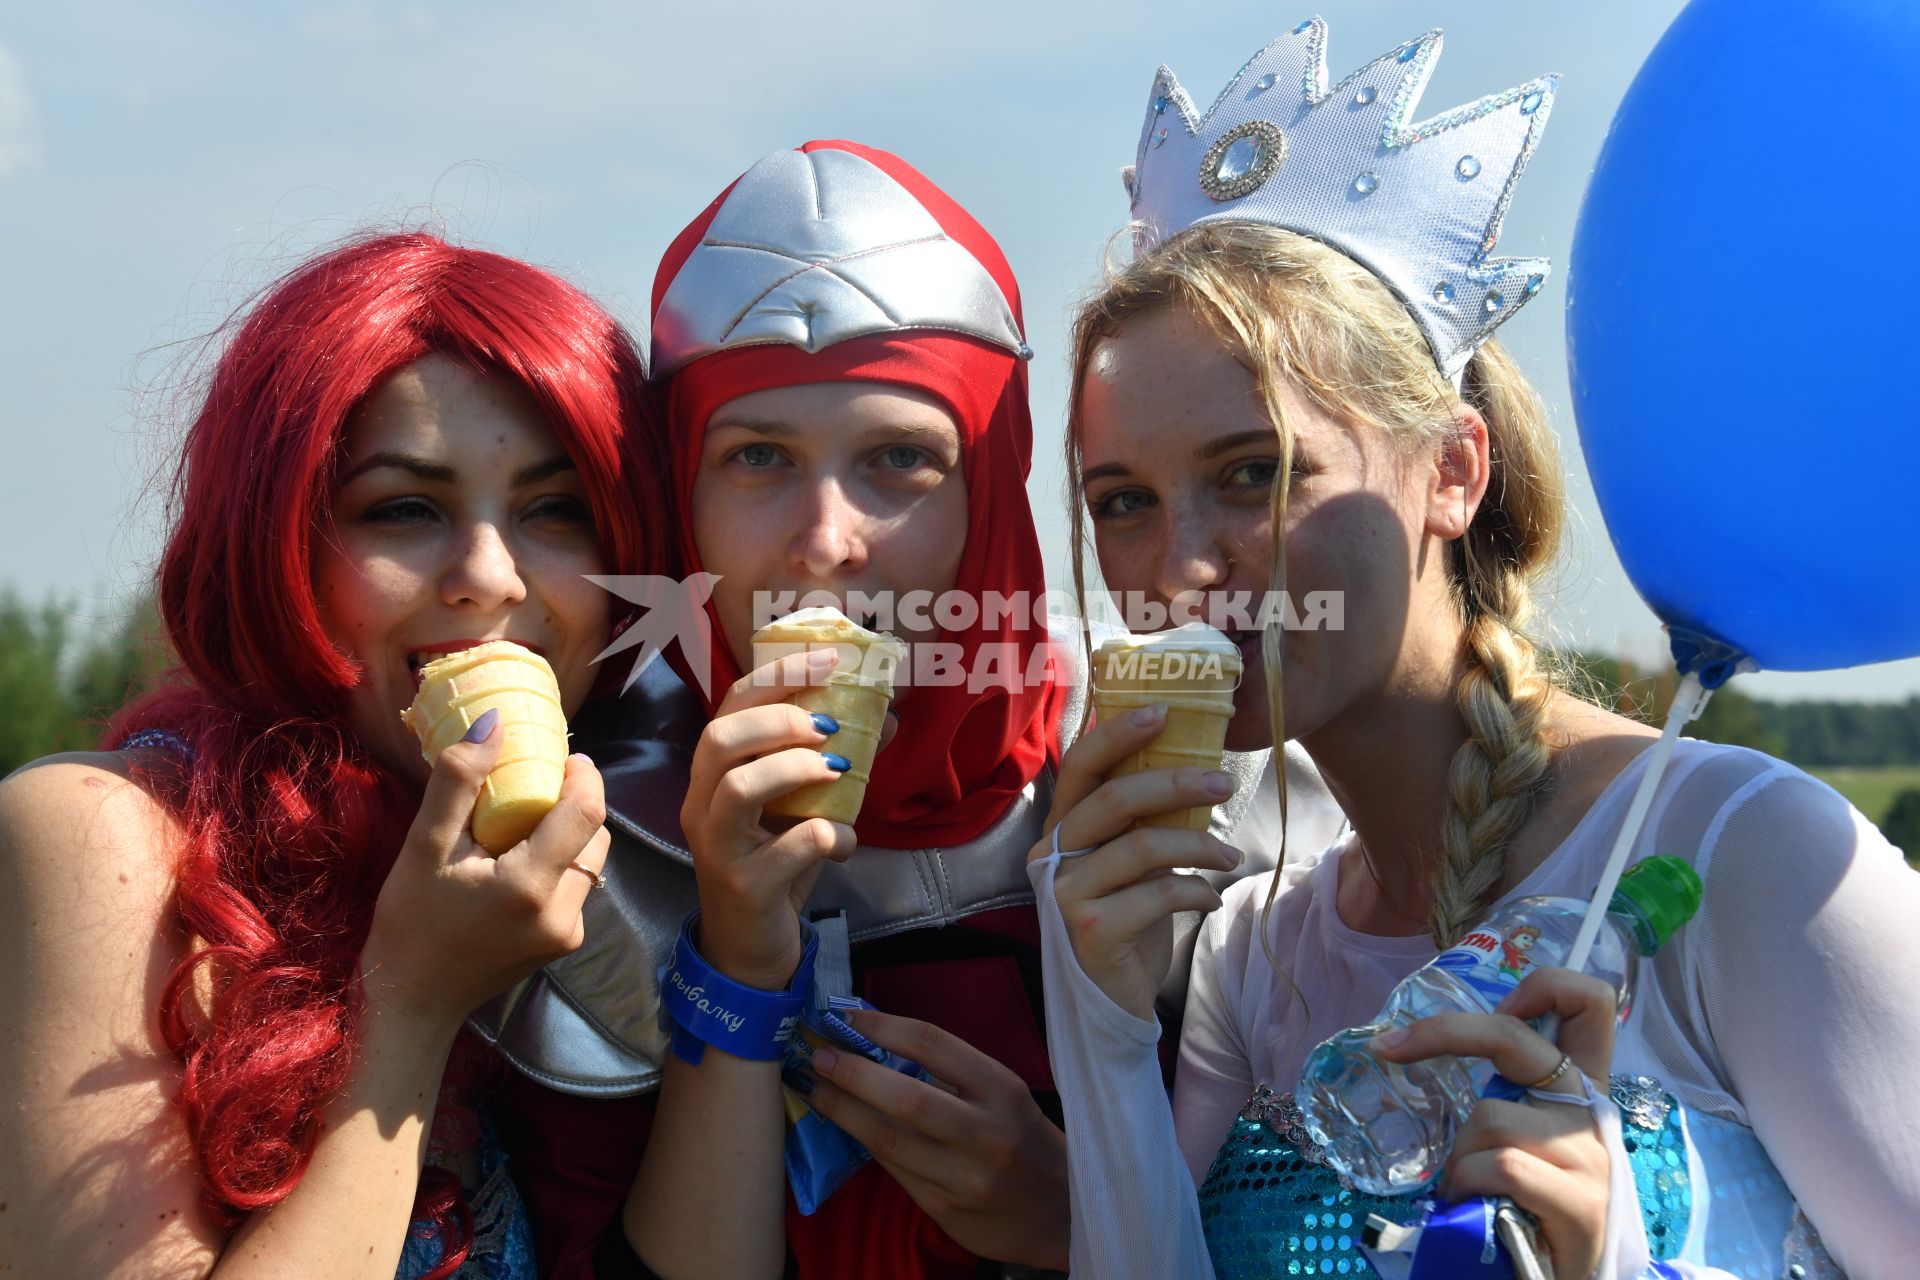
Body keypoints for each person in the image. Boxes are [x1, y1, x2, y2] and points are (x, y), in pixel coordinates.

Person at [1029, 19, 1920, 1280]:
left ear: (1452, 469)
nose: (1176, 569)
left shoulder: (1744, 853)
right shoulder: (1250, 953)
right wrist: (1103, 1027)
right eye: (1121, 499)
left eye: (1253, 474)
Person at [474, 140, 1345, 1279]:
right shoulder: (599, 832)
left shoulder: (1179, 774)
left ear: (996, 484)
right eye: (755, 456)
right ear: (677, 489)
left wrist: (1072, 1219)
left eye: (899, 458)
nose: (825, 539)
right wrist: (735, 952)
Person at [0, 232, 662, 1279]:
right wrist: (413, 999)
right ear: (280, 544)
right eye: (404, 507)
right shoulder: (101, 838)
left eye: (556, 510)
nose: (489, 576)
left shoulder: (626, 863)